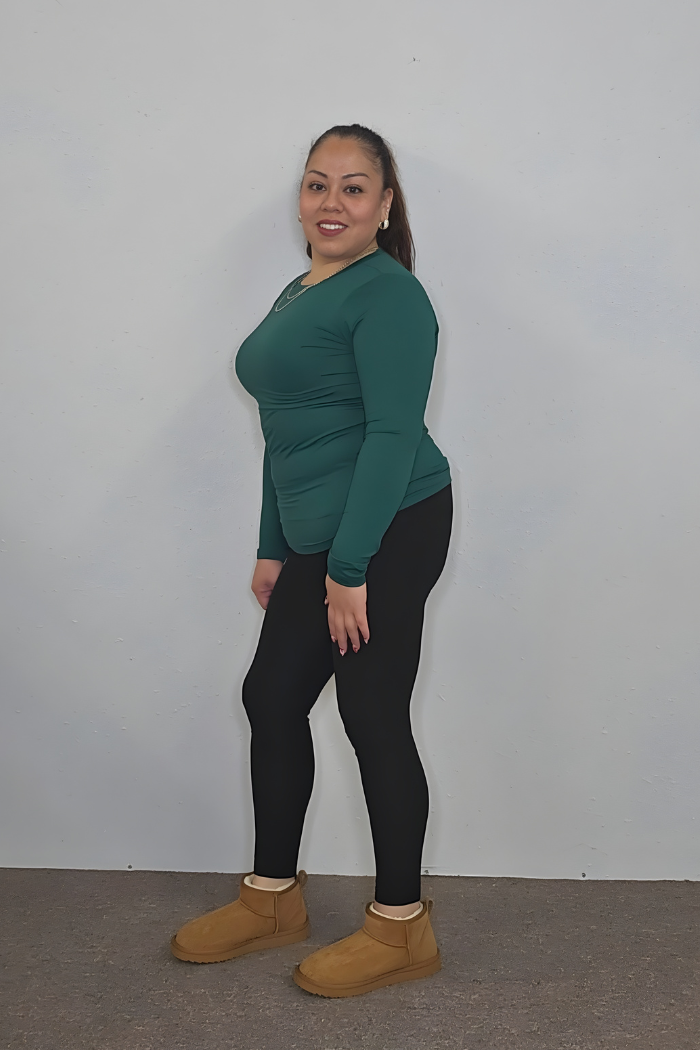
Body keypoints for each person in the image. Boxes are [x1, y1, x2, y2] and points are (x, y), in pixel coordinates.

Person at [170, 124, 453, 998]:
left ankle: (401, 926)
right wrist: (274, 545)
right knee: (270, 695)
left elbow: (392, 435)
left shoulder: (390, 295)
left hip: (390, 529)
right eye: (317, 184)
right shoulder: (303, 289)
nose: (332, 203)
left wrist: (348, 566)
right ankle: (273, 899)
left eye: (354, 188)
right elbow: (285, 426)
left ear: (385, 205)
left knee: (372, 716)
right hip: (319, 542)